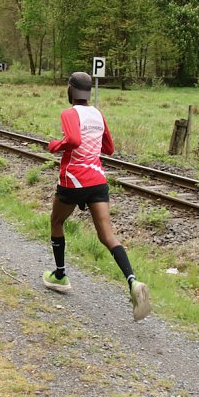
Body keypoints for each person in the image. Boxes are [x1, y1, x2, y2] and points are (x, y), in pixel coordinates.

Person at [43, 72, 151, 321]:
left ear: (71, 90)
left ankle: (60, 275)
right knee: (107, 235)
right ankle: (133, 282)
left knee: (56, 221)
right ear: (89, 92)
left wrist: (54, 145)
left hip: (73, 180)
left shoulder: (69, 113)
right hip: (97, 180)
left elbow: (72, 139)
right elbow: (109, 148)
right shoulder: (98, 114)